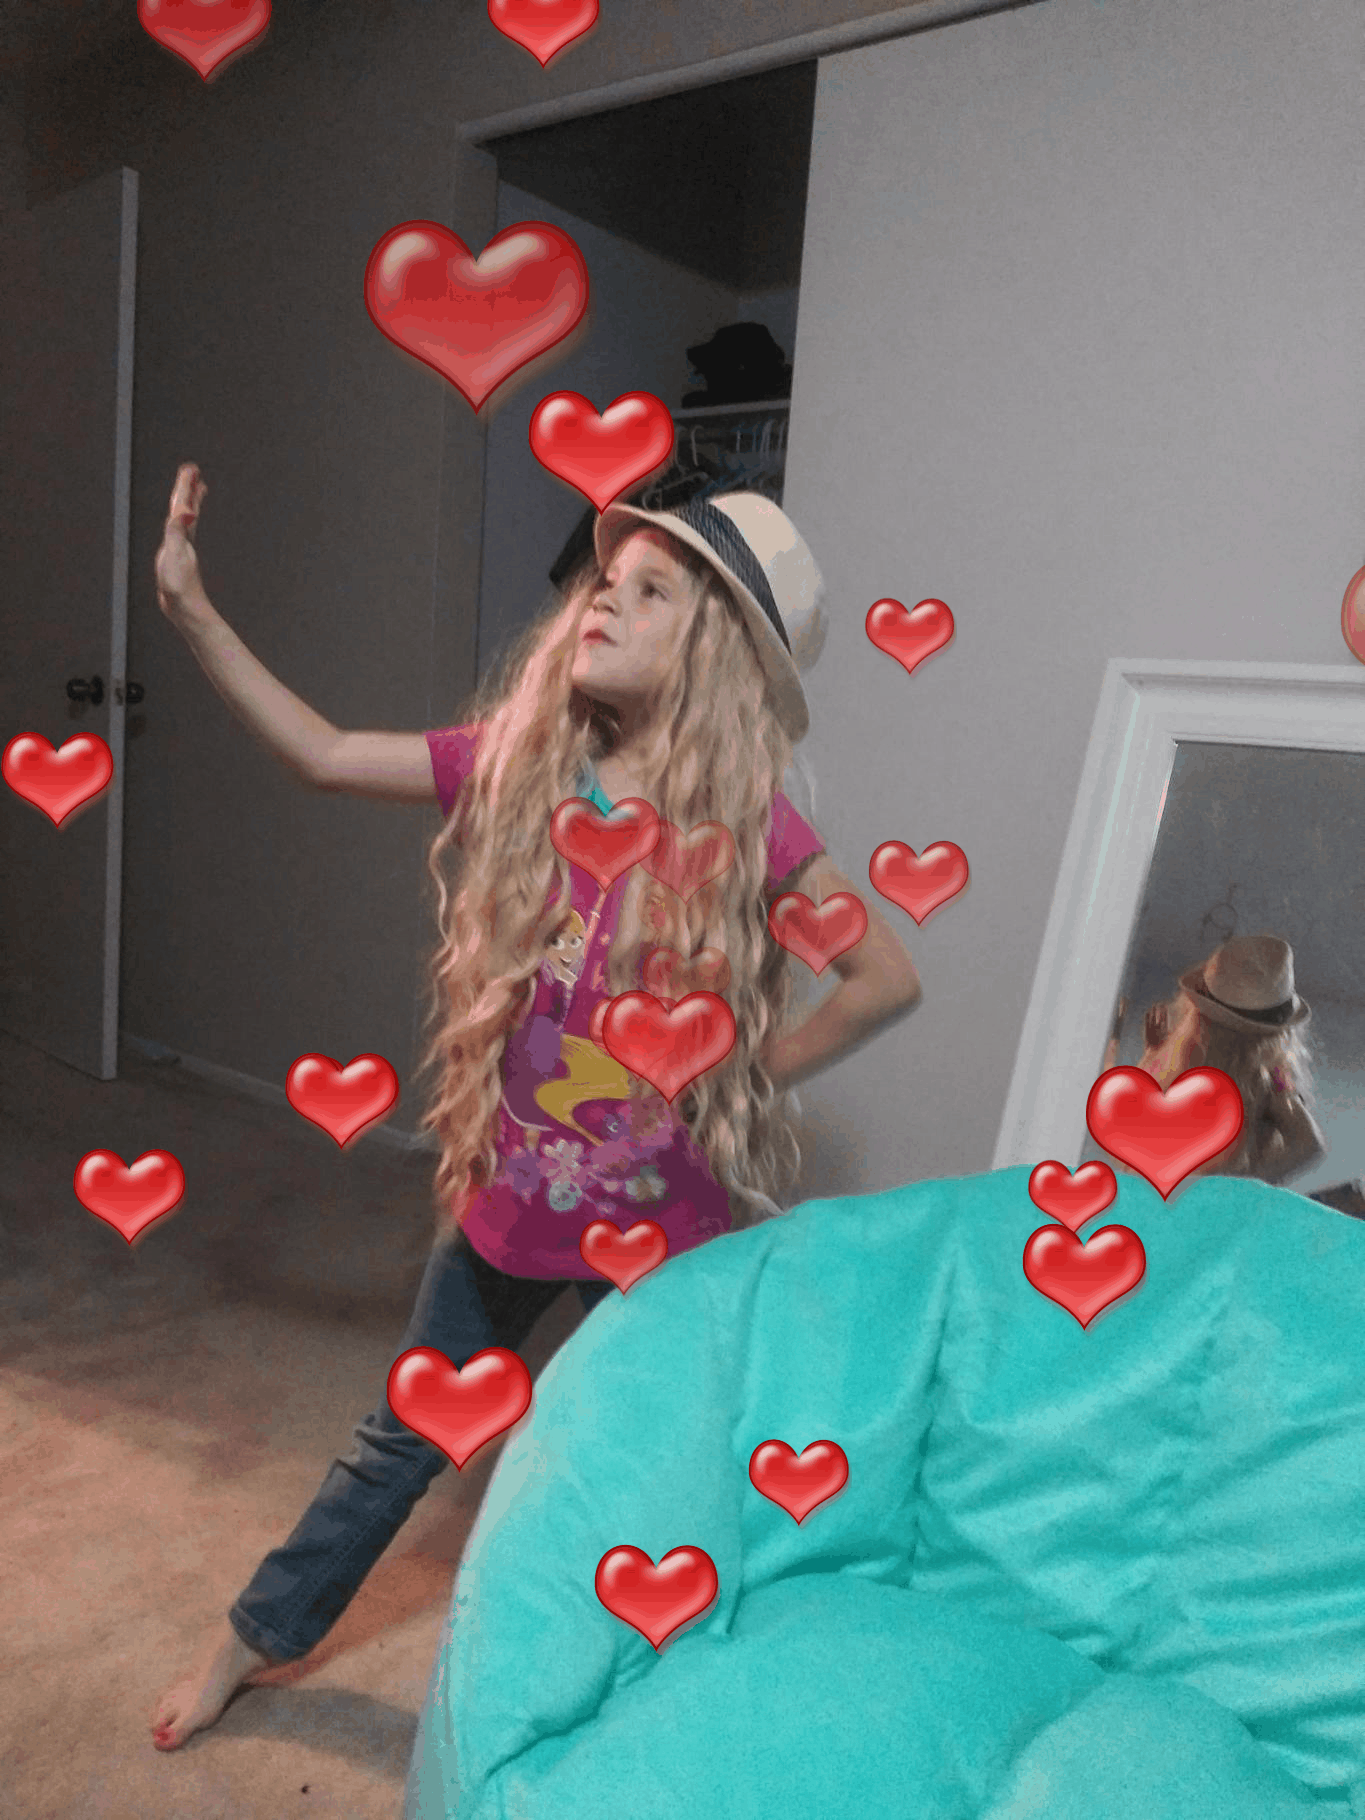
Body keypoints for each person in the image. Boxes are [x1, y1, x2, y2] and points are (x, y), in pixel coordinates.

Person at [147, 463, 923, 1750]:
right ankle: (248, 1640)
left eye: (651, 590)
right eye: (606, 582)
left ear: (712, 649)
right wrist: (190, 608)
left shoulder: (750, 826)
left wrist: (739, 1073)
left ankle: (679, 1695)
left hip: (662, 1239)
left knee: (669, 1473)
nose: (604, 600)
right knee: (399, 1440)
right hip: (510, 1214)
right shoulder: (521, 768)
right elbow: (326, 752)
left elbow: (885, 977)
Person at [1103, 934, 1326, 1187]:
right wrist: (1153, 1054)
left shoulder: (1264, 1078)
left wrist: (1238, 1184)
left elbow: (1309, 1147)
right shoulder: (1191, 1056)